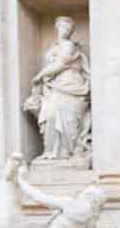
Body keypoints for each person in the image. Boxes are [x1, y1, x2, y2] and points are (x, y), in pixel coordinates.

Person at [22, 15, 91, 161]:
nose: (64, 30)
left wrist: (39, 76)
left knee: (64, 112)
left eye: (68, 28)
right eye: (62, 27)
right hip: (55, 85)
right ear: (57, 28)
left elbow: (60, 65)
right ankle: (51, 151)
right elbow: (52, 66)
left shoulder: (68, 45)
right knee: (50, 114)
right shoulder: (54, 47)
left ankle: (66, 152)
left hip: (71, 84)